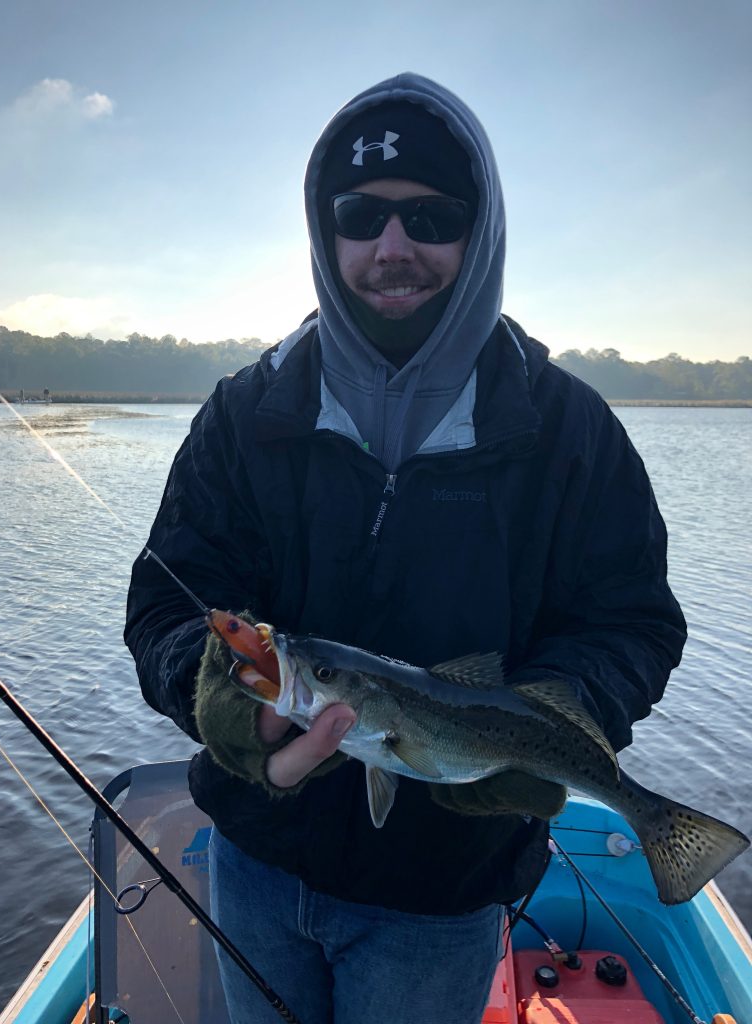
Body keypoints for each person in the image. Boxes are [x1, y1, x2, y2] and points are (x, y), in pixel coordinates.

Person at [125, 72, 687, 1024]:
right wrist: (220, 700)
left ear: (481, 232)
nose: (393, 247)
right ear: (325, 230)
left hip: (444, 898)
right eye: (361, 215)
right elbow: (168, 604)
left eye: (431, 217)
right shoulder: (243, 414)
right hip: (253, 858)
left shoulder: (570, 432)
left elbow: (632, 622)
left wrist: (546, 722)